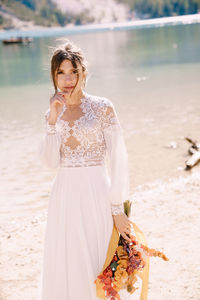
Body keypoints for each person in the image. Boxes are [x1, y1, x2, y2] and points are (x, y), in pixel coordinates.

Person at [38, 38, 135, 300]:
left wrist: (117, 208)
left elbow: (118, 158)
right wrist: (52, 119)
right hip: (64, 197)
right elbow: (49, 163)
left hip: (97, 194)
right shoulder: (52, 113)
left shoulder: (103, 108)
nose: (67, 79)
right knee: (68, 262)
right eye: (61, 72)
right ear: (54, 75)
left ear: (84, 73)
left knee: (98, 260)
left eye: (73, 72)